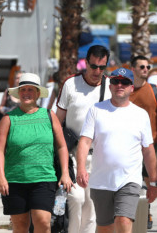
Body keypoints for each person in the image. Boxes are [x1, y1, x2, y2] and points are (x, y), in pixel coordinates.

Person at [76, 68, 157, 233]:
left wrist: (153, 182)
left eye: (125, 82)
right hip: (101, 180)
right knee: (104, 228)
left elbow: (148, 150)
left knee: (123, 221)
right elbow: (85, 141)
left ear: (131, 87)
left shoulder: (140, 115)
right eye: (115, 81)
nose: (120, 85)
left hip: (129, 179)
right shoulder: (96, 110)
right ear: (110, 86)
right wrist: (81, 168)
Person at [0, 73, 73, 232]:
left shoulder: (49, 115)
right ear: (18, 93)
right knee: (20, 225)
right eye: (23, 89)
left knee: (43, 222)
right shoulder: (8, 119)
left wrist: (65, 172)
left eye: (31, 89)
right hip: (14, 180)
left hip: (44, 178)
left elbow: (61, 146)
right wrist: (1, 177)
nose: (26, 93)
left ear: (38, 93)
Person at [55, 45, 111, 233]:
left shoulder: (111, 87)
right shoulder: (71, 84)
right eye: (93, 66)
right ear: (85, 63)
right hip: (71, 154)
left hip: (98, 157)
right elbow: (57, 121)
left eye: (101, 68)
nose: (97, 71)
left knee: (92, 206)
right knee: (76, 198)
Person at [129, 55, 157, 229]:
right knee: (130, 181)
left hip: (150, 144)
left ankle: (146, 213)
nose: (145, 70)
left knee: (149, 181)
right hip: (128, 145)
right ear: (133, 69)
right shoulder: (125, 89)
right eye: (141, 67)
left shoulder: (155, 90)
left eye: (147, 67)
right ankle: (131, 213)